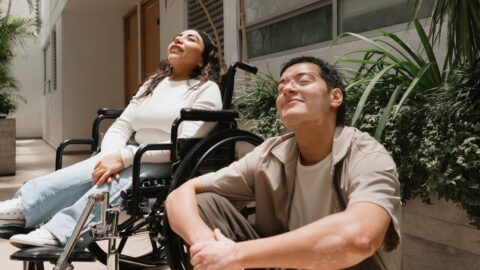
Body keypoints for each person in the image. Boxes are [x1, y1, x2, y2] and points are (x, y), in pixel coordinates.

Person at [165, 56, 401, 270]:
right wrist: (208, 247)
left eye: (303, 80)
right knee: (205, 203)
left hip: (347, 265)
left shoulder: (365, 154)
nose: (288, 88)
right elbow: (181, 194)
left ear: (335, 97)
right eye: (281, 86)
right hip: (282, 265)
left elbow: (360, 238)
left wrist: (235, 254)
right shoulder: (270, 155)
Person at [0, 29, 223, 248]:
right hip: (130, 153)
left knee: (117, 179)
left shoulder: (206, 90)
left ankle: (61, 232)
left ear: (203, 61)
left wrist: (124, 158)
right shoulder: (153, 84)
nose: (179, 40)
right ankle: (21, 208)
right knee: (89, 170)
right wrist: (110, 155)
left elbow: (183, 144)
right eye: (177, 37)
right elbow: (123, 125)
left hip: (168, 162)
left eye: (190, 39)